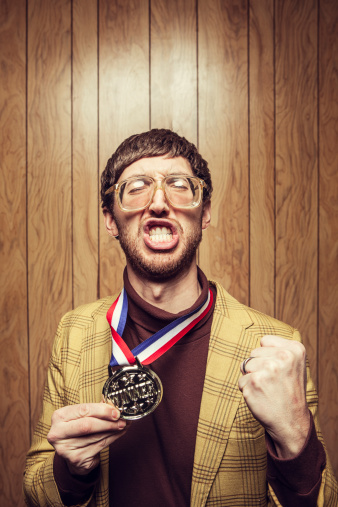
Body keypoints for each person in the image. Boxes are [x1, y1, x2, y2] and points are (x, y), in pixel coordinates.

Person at [23, 129, 337, 506]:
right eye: (137, 186)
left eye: (178, 184)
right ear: (110, 219)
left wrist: (296, 439)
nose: (158, 202)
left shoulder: (275, 346)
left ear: (204, 213)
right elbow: (35, 490)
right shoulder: (73, 332)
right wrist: (68, 470)